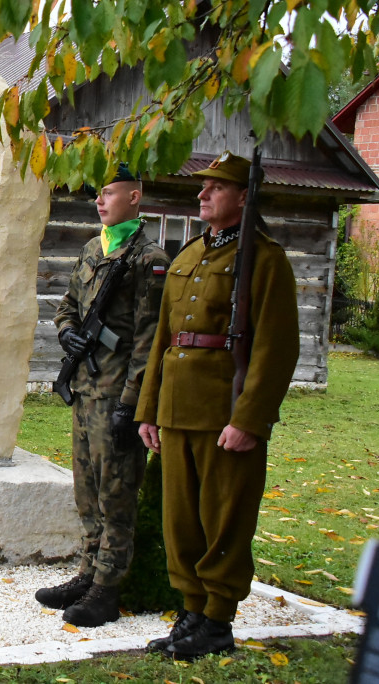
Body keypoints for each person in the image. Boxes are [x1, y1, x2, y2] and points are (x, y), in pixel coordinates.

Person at [136, 151, 300, 660]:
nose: (202, 194)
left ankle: (217, 619)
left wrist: (250, 418)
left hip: (224, 412)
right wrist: (149, 409)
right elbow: (164, 338)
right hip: (177, 408)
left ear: (244, 196)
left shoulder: (264, 259)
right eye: (202, 187)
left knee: (224, 517)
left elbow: (277, 347)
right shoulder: (187, 256)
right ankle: (191, 610)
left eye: (216, 188)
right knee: (181, 520)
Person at [35, 164, 171, 627]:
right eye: (98, 193)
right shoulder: (95, 247)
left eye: (109, 193)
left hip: (118, 394)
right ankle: (88, 572)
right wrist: (69, 333)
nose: (100, 200)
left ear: (135, 197)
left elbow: (150, 340)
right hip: (87, 389)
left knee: (117, 494)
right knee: (87, 490)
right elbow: (69, 306)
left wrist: (133, 403)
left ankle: (108, 589)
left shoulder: (148, 258)